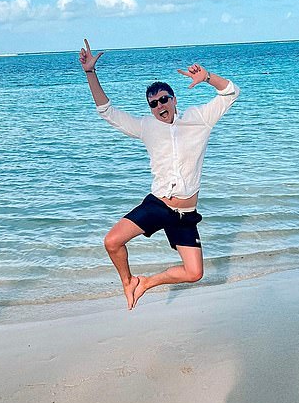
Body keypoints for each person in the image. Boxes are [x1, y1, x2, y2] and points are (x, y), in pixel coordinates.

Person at [79, 38, 240, 309]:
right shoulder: (146, 127)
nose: (160, 106)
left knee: (194, 273)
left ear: (174, 100)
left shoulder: (199, 118)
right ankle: (128, 282)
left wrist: (208, 77)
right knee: (112, 242)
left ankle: (147, 282)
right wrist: (90, 73)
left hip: (185, 214)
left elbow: (231, 92)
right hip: (159, 205)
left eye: (164, 99)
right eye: (153, 104)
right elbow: (106, 111)